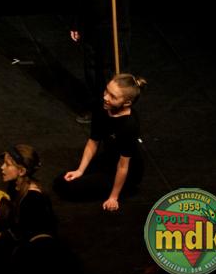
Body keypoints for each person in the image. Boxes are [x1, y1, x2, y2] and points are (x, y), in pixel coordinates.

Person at [54, 73, 147, 211]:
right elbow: (93, 141)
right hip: (108, 159)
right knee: (61, 181)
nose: (105, 97)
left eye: (113, 96)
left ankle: (126, 188)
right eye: (106, 91)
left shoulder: (129, 125)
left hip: (127, 172)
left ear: (127, 103)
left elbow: (123, 166)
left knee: (70, 190)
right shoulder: (102, 106)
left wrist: (113, 197)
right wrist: (80, 170)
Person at [70, 0, 133, 124]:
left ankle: (114, 109)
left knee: (110, 70)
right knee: (91, 70)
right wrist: (77, 23)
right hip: (92, 27)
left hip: (113, 28)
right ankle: (96, 108)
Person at [0, 144, 55, 241]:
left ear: (21, 171)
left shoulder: (33, 200)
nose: (2, 167)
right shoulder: (14, 185)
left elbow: (37, 237)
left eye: (7, 164)